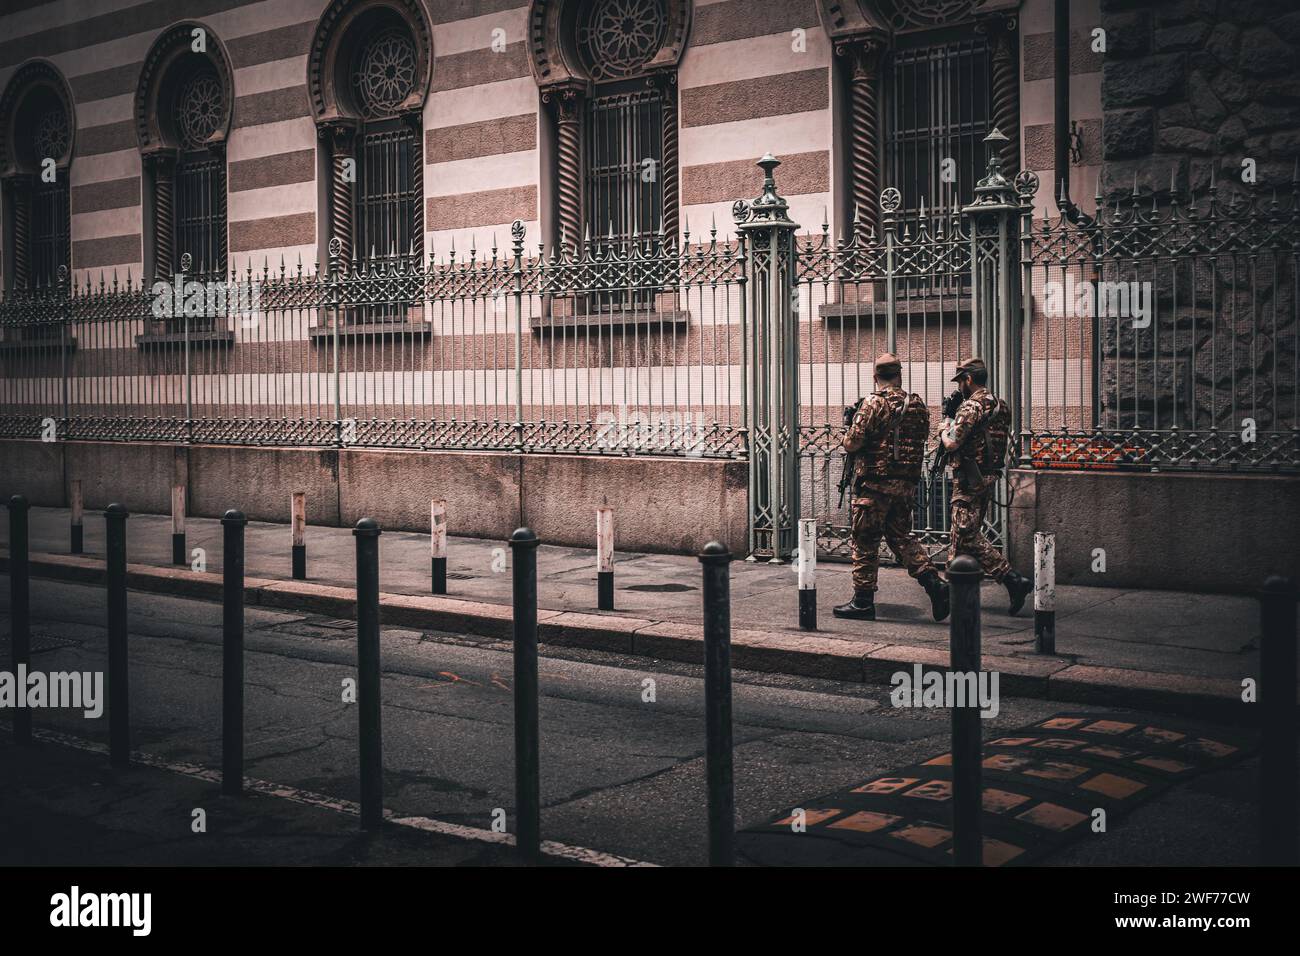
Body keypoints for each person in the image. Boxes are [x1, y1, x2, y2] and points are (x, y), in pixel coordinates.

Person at [834, 352, 950, 622]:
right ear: (899, 374)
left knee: (865, 540)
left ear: (875, 377)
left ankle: (863, 601)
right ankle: (935, 584)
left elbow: (852, 443)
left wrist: (847, 427)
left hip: (875, 485)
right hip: (906, 484)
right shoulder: (917, 404)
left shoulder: (873, 403)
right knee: (900, 536)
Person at [938, 357, 1033, 614]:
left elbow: (952, 443)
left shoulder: (971, 407)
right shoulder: (1001, 406)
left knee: (966, 532)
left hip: (968, 480)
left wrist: (944, 424)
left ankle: (1012, 579)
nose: (959, 387)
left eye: (960, 382)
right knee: (960, 537)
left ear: (968, 379)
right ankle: (951, 590)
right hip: (987, 476)